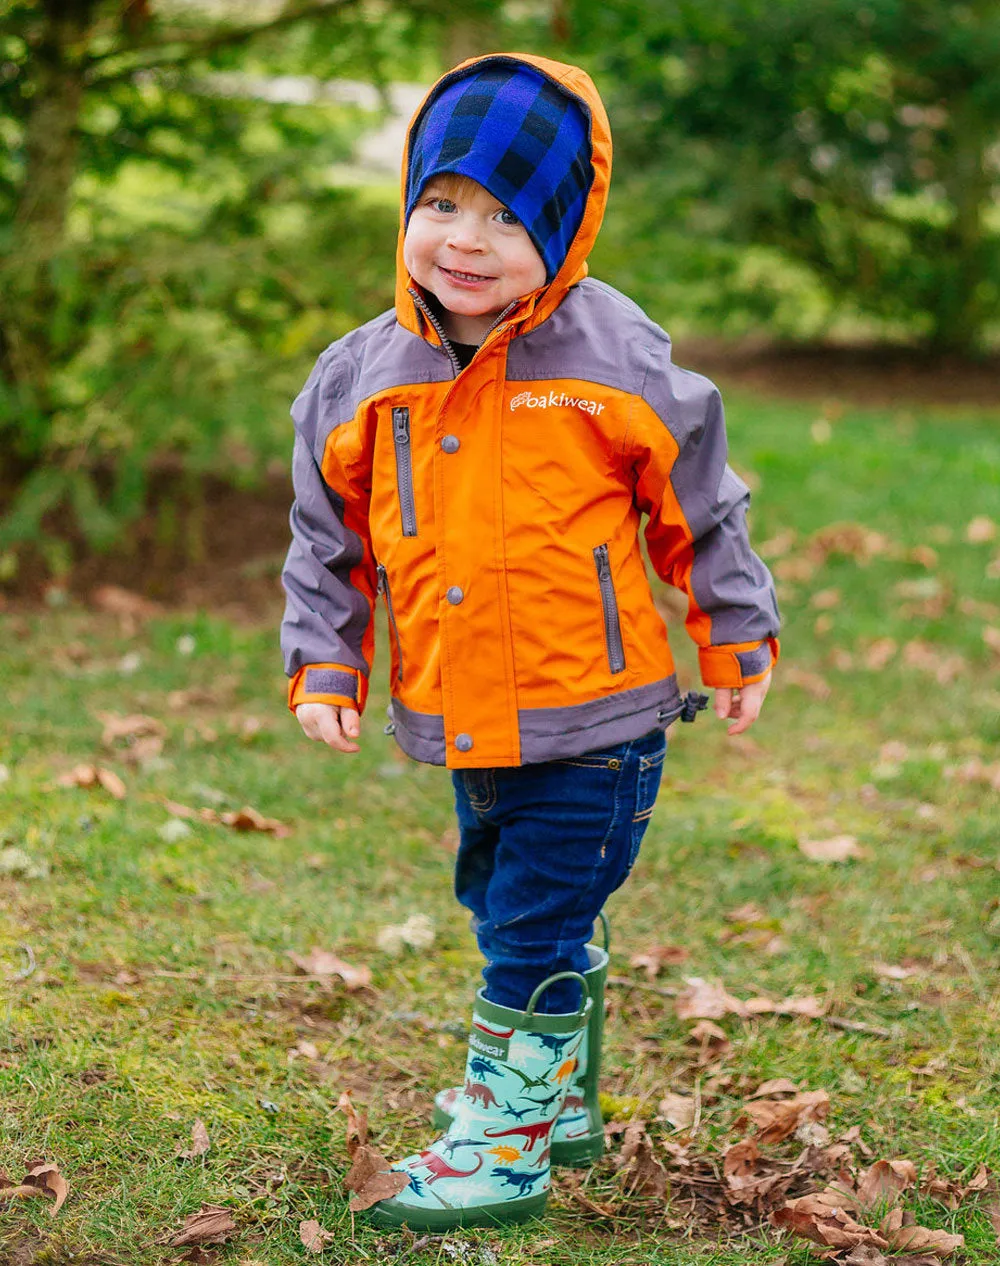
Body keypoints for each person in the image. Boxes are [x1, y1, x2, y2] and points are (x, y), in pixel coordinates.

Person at [281, 52, 780, 1230]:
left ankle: (502, 1147)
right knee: (499, 900)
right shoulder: (359, 377)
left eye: (509, 217)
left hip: (599, 721)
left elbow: (698, 502)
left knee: (529, 933)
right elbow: (326, 540)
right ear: (407, 204)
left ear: (564, 230)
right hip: (461, 711)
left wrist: (734, 633)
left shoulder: (610, 356)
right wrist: (328, 657)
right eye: (443, 203)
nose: (467, 238)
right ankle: (560, 1101)